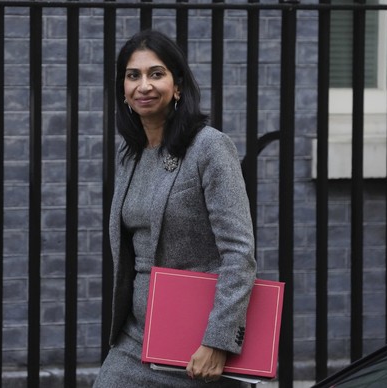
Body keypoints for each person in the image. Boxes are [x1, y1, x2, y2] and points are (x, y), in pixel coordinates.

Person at [93, 30, 256, 387]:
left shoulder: (209, 148)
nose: (144, 85)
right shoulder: (131, 157)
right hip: (134, 341)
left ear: (178, 86)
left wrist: (217, 340)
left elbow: (239, 252)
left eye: (156, 73)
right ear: (123, 88)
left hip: (196, 346)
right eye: (133, 75)